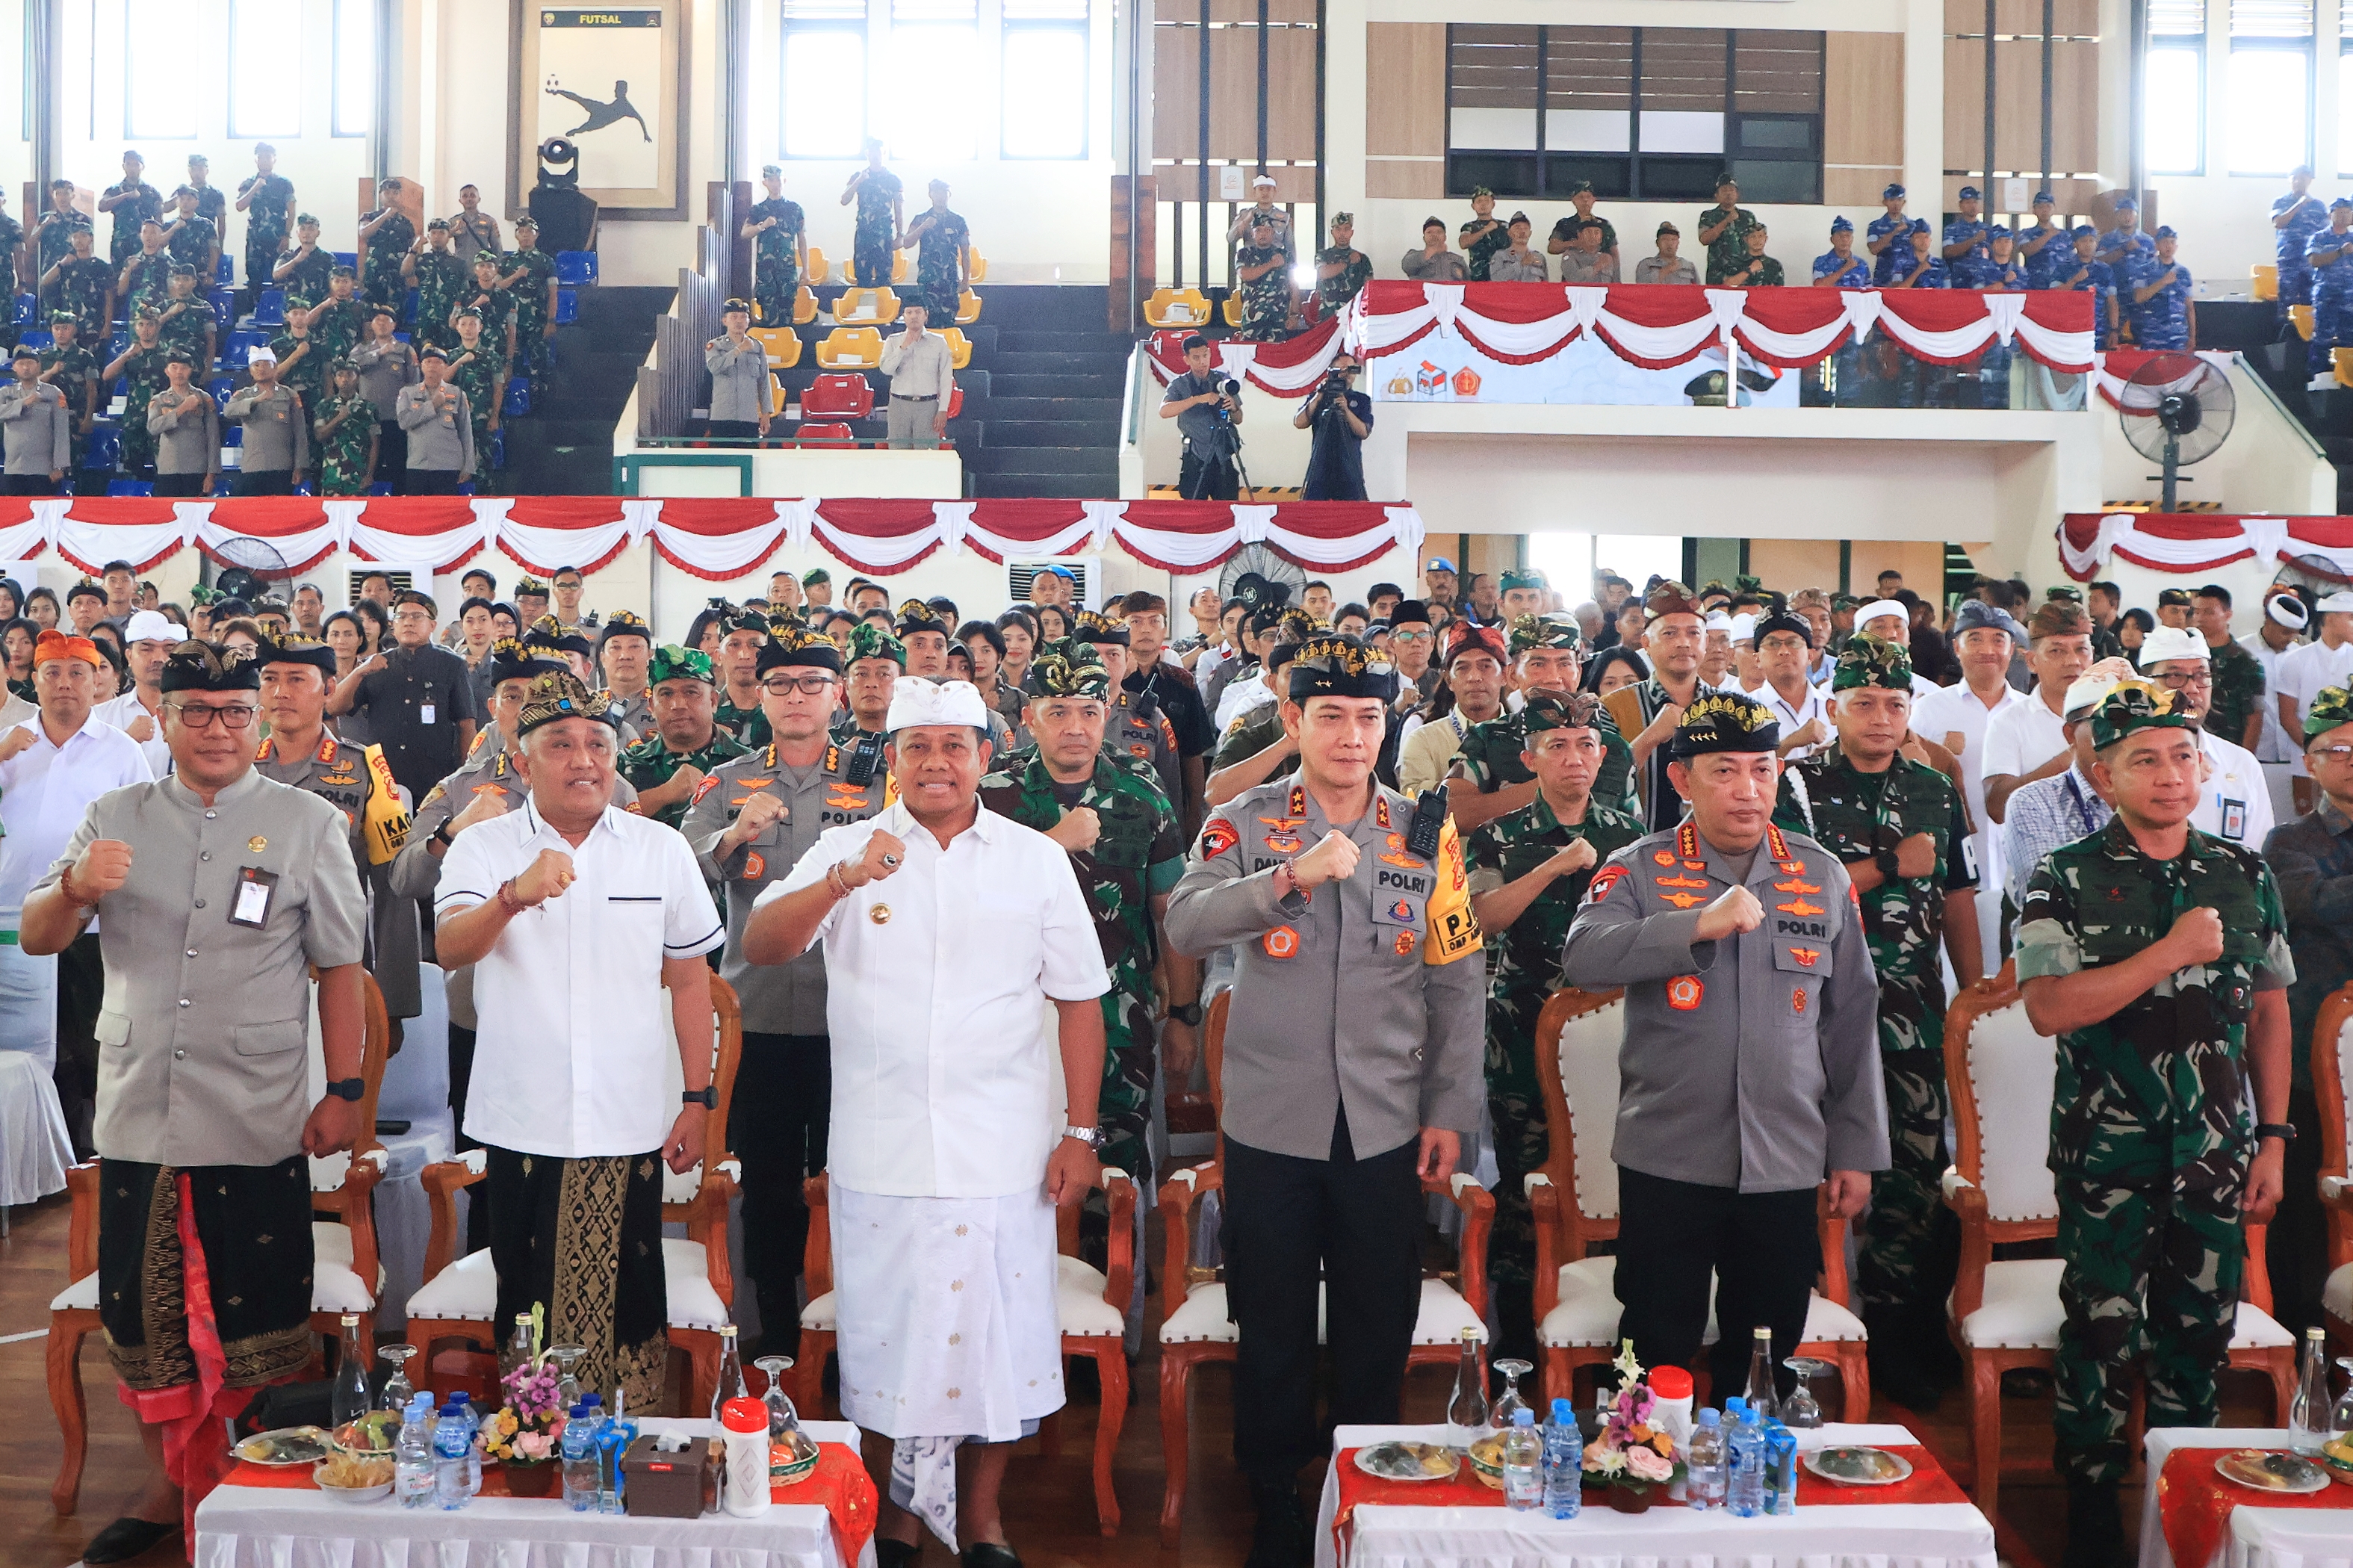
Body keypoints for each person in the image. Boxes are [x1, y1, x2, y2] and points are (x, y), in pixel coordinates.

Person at [743, 675, 1110, 1566]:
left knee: (994, 1344)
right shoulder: (847, 844)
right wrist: (840, 878)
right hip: (883, 1146)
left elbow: (1080, 1000)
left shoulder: (1033, 857)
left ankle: (981, 1520)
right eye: (918, 747)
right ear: (892, 761)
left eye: (955, 745)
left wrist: (1082, 1131)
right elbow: (760, 945)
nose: (937, 763)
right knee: (887, 1346)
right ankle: (898, 1518)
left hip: (1004, 1147)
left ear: (986, 757)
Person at [19, 639, 365, 1567]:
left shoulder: (307, 822)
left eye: (235, 712)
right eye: (196, 712)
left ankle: (260, 1494)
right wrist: (74, 885)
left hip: (256, 1110)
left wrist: (345, 1089)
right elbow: (39, 934)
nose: (217, 728)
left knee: (259, 1316)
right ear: (161, 718)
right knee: (145, 1321)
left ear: (263, 718)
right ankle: (172, 1495)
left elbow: (341, 969)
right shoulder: (114, 812)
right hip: (139, 1110)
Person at [1165, 633, 1485, 1567]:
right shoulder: (1250, 817)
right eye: (1332, 715)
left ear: (1390, 725)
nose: (1352, 735)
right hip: (1271, 1116)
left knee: (1376, 1313)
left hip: (1386, 1118)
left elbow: (1457, 977)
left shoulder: (1426, 828)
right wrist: (1288, 877)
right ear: (1294, 719)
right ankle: (1272, 1489)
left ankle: (1366, 1478)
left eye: (1370, 717)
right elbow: (1185, 918)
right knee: (1269, 1313)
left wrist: (1448, 1110)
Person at [2015, 681, 2293, 1568]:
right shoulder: (2063, 876)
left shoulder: (2244, 873)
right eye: (2145, 758)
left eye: (2184, 755)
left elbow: (2273, 1011)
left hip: (2217, 1154)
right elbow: (2051, 1008)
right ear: (2104, 775)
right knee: (2098, 1336)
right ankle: (2091, 1519)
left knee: (2197, 1340)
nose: (2171, 774)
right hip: (2109, 1152)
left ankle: (2184, 1517)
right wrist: (2170, 950)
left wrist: (2275, 1136)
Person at [1564, 687, 1881, 1399]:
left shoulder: (1821, 873)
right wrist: (1693, 926)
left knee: (1767, 1353)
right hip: (1670, 1154)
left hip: (1786, 1155)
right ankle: (1646, 1476)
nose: (1748, 790)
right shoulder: (1640, 868)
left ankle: (1746, 1487)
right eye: (1725, 771)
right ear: (1682, 779)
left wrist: (1855, 1149)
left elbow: (1852, 1020)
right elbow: (1582, 957)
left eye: (1762, 769)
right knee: (1655, 1346)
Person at [433, 671, 724, 1414]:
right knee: (528, 1297)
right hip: (522, 1116)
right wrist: (512, 895)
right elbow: (451, 946)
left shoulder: (658, 848)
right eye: (560, 743)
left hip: (628, 1116)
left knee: (628, 1292)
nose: (583, 758)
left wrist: (698, 1098)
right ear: (522, 761)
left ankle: (621, 1451)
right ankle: (535, 1446)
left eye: (598, 742)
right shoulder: (483, 845)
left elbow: (691, 985)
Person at [1773, 636, 1981, 1408]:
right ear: (1833, 709)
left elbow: (1957, 895)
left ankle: (1896, 1331)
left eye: (1896, 704)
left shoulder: (1934, 785)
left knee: (1913, 1174)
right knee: (1802, 1167)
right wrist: (1892, 865)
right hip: (1814, 1009)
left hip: (1914, 1012)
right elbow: (1790, 896)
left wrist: (1970, 989)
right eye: (1864, 702)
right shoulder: (1794, 786)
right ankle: (1793, 1332)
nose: (1882, 716)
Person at [679, 627, 878, 1350]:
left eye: (812, 683)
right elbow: (686, 871)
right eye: (781, 683)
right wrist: (734, 834)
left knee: (849, 1176)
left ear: (838, 694)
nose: (797, 696)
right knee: (766, 1181)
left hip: (851, 1016)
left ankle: (846, 1327)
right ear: (758, 694)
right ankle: (774, 1334)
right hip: (756, 1015)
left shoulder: (876, 779)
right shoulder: (727, 781)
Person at [979, 647, 1194, 1215]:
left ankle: (1113, 1290)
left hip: (1118, 1013)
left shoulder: (1140, 788)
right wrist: (1051, 843)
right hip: (1010, 1014)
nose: (1075, 726)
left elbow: (1171, 909)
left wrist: (1183, 1015)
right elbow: (962, 897)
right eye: (1058, 711)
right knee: (1013, 1160)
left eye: (1089, 710)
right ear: (1029, 716)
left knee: (1115, 1168)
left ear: (1109, 712)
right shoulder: (991, 794)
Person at [1462, 689, 1643, 1360]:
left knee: (1620, 1171)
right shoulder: (1496, 834)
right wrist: (1556, 864)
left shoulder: (1630, 835)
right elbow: (1481, 920)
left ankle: (1614, 1329)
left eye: (1587, 746)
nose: (1575, 759)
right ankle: (1519, 1333)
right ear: (1530, 758)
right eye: (1559, 747)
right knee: (1523, 1178)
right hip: (1521, 1025)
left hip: (1622, 1036)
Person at [0, 628, 153, 1161]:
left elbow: (144, 835)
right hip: (14, 926)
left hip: (91, 926)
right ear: (33, 681)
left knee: (92, 1044)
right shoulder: (10, 743)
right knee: (27, 1052)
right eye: (52, 673)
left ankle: (95, 1158)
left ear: (98, 684)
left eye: (77, 674)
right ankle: (35, 1161)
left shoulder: (123, 752)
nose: (64, 684)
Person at [253, 633, 423, 1035]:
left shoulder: (364, 768)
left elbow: (393, 887)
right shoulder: (238, 767)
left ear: (329, 689)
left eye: (297, 680)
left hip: (337, 966)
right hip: (250, 966)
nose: (281, 692)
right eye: (269, 678)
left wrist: (392, 1002)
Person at [2261, 682, 2353, 1338]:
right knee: (2303, 1213)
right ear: (2311, 764)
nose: (2351, 757)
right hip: (2307, 1061)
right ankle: (2303, 1346)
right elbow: (2312, 905)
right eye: (2336, 748)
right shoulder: (2288, 841)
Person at [1914, 600, 2031, 958]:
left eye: (1998, 639)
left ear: (2013, 650)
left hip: (2019, 860)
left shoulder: (2029, 712)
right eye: (1975, 638)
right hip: (1957, 861)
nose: (1988, 650)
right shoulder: (1930, 709)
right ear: (1956, 646)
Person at [328, 589, 480, 811]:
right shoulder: (377, 664)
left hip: (435, 779)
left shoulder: (452, 665)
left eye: (417, 617)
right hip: (385, 779)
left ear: (432, 625)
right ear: (393, 625)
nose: (408, 622)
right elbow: (332, 708)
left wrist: (466, 775)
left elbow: (467, 725)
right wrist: (359, 672)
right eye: (401, 616)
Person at [2137, 626, 2275, 849]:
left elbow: (2260, 854)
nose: (2192, 689)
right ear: (2145, 685)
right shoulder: (2127, 762)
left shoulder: (2240, 763)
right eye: (2175, 676)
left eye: (2202, 676)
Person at [1599, 586, 1721, 831]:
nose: (1684, 643)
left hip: (1713, 848)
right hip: (1634, 849)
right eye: (1670, 634)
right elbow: (1601, 786)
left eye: (1694, 633)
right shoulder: (1613, 707)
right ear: (1646, 643)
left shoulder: (1729, 708)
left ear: (1706, 642)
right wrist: (1650, 738)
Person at [1982, 601, 2097, 825]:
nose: (2073, 661)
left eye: (2081, 649)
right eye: (2057, 651)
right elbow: (1997, 807)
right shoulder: (2009, 723)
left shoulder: (2115, 715)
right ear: (2032, 661)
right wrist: (2071, 759)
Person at [619, 645, 751, 828]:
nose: (678, 704)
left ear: (713, 701)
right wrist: (663, 794)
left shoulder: (748, 764)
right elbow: (600, 825)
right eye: (666, 694)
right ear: (651, 706)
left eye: (691, 692)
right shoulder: (625, 766)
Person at [1160, 335, 1241, 501]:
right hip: (1196, 458)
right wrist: (1197, 399)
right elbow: (1164, 411)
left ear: (1210, 354)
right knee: (1194, 514)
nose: (1202, 362)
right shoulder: (1180, 384)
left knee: (1228, 511)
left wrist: (1233, 407)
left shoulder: (1223, 380)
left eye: (1205, 356)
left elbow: (1239, 419)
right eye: (1196, 358)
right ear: (1187, 359)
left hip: (1223, 457)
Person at [2189, 583, 2264, 752]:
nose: (2200, 618)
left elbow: (2254, 718)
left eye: (2209, 612)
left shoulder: (2247, 663)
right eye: (2196, 612)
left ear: (2228, 615)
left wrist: (2245, 758)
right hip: (2190, 748)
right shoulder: (2188, 657)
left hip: (2228, 749)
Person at [224, 346, 307, 496]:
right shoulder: (244, 394)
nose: (261, 369)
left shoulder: (289, 395)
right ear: (250, 370)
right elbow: (228, 411)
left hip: (282, 466)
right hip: (253, 466)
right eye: (256, 365)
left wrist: (299, 466)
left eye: (266, 364)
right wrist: (255, 400)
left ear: (275, 367)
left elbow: (300, 433)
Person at [1293, 352, 1371, 502]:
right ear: (1331, 371)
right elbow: (1299, 422)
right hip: (1320, 469)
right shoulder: (1319, 396)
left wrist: (1346, 410)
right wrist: (1318, 396)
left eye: (1351, 369)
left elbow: (1364, 432)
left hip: (1349, 470)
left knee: (1351, 516)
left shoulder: (1362, 400)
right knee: (1314, 516)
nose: (1346, 373)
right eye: (1341, 369)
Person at [397, 347, 476, 493]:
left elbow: (465, 430)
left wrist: (469, 465)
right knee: (418, 513)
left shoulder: (456, 393)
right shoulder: (408, 393)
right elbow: (404, 422)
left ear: (446, 366)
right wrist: (432, 405)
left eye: (438, 362)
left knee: (447, 514)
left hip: (449, 465)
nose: (432, 365)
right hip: (419, 464)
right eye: (428, 362)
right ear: (421, 366)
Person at [879, 303, 954, 450]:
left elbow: (946, 378)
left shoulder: (938, 343)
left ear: (926, 316)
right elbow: (886, 369)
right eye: (909, 312)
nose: (914, 316)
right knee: (898, 454)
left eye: (918, 312)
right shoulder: (893, 341)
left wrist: (943, 409)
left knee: (926, 456)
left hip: (928, 405)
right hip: (899, 405)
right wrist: (902, 348)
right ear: (904, 317)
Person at [1, 344, 72, 494]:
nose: (26, 368)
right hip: (13, 469)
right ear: (14, 367)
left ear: (38, 366)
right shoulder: (6, 393)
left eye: (30, 363)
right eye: (21, 364)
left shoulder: (53, 393)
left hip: (42, 470)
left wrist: (60, 466)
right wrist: (22, 403)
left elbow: (62, 431)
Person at [145, 352, 218, 496]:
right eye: (174, 367)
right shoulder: (159, 400)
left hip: (197, 468)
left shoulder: (204, 398)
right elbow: (153, 428)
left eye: (184, 367)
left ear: (191, 370)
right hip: (168, 468)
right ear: (166, 371)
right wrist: (182, 409)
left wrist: (211, 474)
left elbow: (213, 438)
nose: (179, 372)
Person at [497, 217, 560, 376]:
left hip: (538, 323)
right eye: (521, 231)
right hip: (513, 324)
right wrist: (515, 276)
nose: (525, 235)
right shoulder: (507, 262)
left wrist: (551, 321)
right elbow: (497, 287)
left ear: (536, 235)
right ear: (516, 235)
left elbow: (553, 293)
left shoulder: (546, 261)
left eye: (529, 232)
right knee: (512, 369)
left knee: (540, 371)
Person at [745, 164, 807, 327]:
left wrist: (806, 270)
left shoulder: (795, 209)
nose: (775, 184)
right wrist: (762, 226)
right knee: (769, 318)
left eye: (778, 180)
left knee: (787, 317)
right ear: (765, 183)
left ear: (784, 181)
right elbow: (744, 233)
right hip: (766, 271)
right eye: (771, 180)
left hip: (787, 270)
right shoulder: (758, 210)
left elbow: (801, 240)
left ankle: (786, 351)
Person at [901, 180, 970, 323]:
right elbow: (906, 243)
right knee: (927, 325)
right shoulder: (920, 218)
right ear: (930, 195)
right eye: (936, 192)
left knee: (948, 323)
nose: (940, 196)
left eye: (944, 192)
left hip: (949, 281)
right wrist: (924, 226)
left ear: (949, 195)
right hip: (928, 281)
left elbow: (965, 252)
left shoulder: (958, 221)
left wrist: (966, 280)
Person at [705, 298, 774, 439]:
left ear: (748, 322)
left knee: (749, 458)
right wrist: (737, 350)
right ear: (725, 321)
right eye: (734, 317)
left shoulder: (757, 346)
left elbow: (764, 381)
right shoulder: (715, 345)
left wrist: (766, 414)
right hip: (722, 417)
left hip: (749, 417)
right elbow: (714, 367)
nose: (739, 321)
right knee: (723, 460)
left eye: (743, 317)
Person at [841, 139, 902, 288]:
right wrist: (859, 181)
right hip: (864, 234)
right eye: (872, 152)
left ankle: (885, 311)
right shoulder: (858, 176)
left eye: (879, 152)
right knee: (862, 279)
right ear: (867, 154)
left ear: (884, 153)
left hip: (884, 234)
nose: (876, 156)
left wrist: (900, 235)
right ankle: (864, 312)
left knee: (884, 281)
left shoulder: (893, 179)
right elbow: (844, 200)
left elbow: (899, 208)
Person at [235, 143, 294, 294]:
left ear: (274, 159)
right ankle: (256, 311)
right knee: (255, 280)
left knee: (280, 278)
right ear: (256, 160)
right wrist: (255, 187)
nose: (265, 160)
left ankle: (280, 314)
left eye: (268, 157)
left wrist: (286, 236)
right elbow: (240, 206)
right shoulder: (248, 183)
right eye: (261, 157)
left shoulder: (284, 184)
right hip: (255, 239)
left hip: (277, 238)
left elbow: (291, 212)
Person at [2126, 227, 2196, 351]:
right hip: (2153, 336)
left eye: (2172, 242)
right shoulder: (2144, 269)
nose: (2169, 246)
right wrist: (2163, 282)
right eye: (2164, 242)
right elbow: (2138, 298)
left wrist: (2192, 336)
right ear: (2157, 245)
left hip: (2178, 337)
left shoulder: (2183, 272)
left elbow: (2189, 307)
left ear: (2176, 246)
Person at [356, 179, 418, 313]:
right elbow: (364, 233)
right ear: (380, 195)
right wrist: (385, 216)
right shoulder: (369, 216)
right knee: (370, 319)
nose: (391, 196)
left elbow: (411, 252)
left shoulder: (406, 224)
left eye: (395, 193)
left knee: (395, 320)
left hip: (397, 279)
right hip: (374, 277)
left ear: (400, 196)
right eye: (387, 192)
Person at [1697, 173, 1761, 285]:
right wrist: (1726, 221)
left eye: (1731, 190)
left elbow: (1756, 243)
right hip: (1718, 276)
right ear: (1717, 196)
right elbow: (1704, 240)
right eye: (1724, 190)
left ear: (1737, 194)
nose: (1728, 193)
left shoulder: (1748, 217)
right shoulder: (1709, 216)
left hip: (1745, 274)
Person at [1233, 217, 1292, 339]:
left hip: (1278, 315)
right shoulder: (1244, 254)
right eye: (1258, 230)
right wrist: (1271, 264)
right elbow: (1245, 275)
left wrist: (1295, 314)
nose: (1263, 234)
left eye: (1267, 230)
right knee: (1250, 353)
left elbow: (1293, 284)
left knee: (1277, 353)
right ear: (1253, 234)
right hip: (1252, 317)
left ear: (1273, 233)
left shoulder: (1285, 255)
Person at [1313, 213, 1371, 317]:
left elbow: (1370, 288)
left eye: (1346, 229)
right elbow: (1323, 273)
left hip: (1354, 314)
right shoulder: (1323, 255)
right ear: (1332, 232)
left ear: (1352, 232)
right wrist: (1348, 261)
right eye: (1338, 229)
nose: (1342, 234)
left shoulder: (1362, 259)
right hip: (1328, 313)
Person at [1229, 174, 1295, 261]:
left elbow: (1290, 247)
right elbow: (1231, 239)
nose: (1265, 193)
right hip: (1251, 265)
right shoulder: (1245, 214)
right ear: (1254, 192)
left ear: (1274, 191)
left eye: (1268, 189)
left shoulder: (1284, 217)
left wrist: (1292, 270)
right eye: (1261, 189)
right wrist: (1245, 222)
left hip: (1276, 266)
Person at [2018, 190, 2069, 288]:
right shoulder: (2027, 233)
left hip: (2059, 287)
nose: (2045, 210)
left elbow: (2071, 260)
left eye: (2048, 206)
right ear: (2034, 210)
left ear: (2054, 209)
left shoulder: (2065, 235)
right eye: (2040, 207)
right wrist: (2048, 235)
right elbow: (2027, 251)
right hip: (2034, 286)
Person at [447, 183, 502, 269]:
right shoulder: (453, 221)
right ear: (460, 200)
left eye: (472, 196)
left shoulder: (489, 221)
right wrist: (454, 230)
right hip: (461, 269)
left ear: (479, 199)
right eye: (465, 196)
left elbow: (497, 247)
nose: (469, 199)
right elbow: (441, 240)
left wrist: (497, 268)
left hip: (482, 270)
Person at [1460, 187, 1509, 281]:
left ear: (1493, 204)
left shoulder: (1505, 226)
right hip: (1478, 277)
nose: (1483, 204)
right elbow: (1464, 243)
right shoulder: (1469, 227)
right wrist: (1486, 230)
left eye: (1487, 201)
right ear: (1473, 206)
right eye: (1479, 201)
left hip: (1503, 276)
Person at [1865, 185, 1910, 285]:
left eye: (1899, 200)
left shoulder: (1913, 225)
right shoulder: (1875, 226)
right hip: (1885, 278)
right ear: (1885, 202)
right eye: (1892, 200)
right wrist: (1894, 232)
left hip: (1908, 279)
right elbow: (1874, 249)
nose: (1896, 204)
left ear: (1904, 202)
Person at [1399, 217, 1468, 282]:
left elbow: (1469, 284)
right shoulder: (1414, 256)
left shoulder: (1458, 259)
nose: (1434, 235)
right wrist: (1431, 252)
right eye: (1429, 232)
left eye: (1439, 232)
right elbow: (1406, 267)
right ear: (1424, 238)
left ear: (1445, 237)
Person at [1487, 213, 1548, 282]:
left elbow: (1545, 285)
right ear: (1509, 233)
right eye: (1518, 228)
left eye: (1526, 228)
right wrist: (1520, 264)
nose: (1523, 232)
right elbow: (1496, 278)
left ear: (1530, 233)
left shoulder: (1539, 257)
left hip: (1533, 293)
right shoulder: (1500, 256)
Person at [1813, 217, 1871, 288]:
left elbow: (1869, 289)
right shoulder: (1821, 261)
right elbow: (1819, 286)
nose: (1845, 240)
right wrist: (1845, 268)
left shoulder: (1861, 263)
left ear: (1852, 239)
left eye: (1848, 236)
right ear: (1832, 239)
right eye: (1840, 236)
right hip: (1833, 299)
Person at [1720, 223, 1782, 288]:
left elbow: (1780, 292)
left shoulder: (1774, 265)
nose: (1757, 240)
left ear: (1766, 239)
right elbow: (1727, 286)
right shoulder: (1735, 262)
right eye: (1753, 236)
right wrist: (1750, 270)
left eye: (1760, 236)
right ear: (1746, 239)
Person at [1555, 220, 1616, 284]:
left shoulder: (1607, 257)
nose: (1593, 236)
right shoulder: (1570, 256)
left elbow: (1613, 282)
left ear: (1601, 237)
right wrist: (1598, 266)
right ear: (1580, 235)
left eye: (1597, 233)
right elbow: (1573, 278)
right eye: (1589, 232)